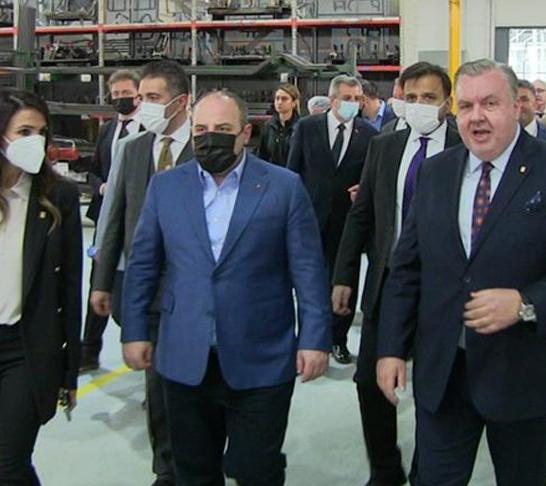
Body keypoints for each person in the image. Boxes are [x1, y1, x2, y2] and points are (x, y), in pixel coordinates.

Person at [376, 59, 546, 486]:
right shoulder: (435, 173)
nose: (476, 117)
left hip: (523, 375)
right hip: (444, 373)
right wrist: (391, 347)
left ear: (516, 107)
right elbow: (407, 268)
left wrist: (526, 303)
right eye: (466, 106)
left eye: (490, 103)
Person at [121, 89, 331, 485]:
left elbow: (308, 270)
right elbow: (143, 265)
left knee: (256, 468)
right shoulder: (166, 187)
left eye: (221, 128)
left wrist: (314, 338)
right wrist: (133, 330)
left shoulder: (284, 187)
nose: (209, 137)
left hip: (261, 355)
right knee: (193, 471)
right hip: (185, 355)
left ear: (245, 133)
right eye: (200, 129)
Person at [332, 61, 462, 486]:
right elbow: (362, 215)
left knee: (436, 385)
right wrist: (344, 275)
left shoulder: (464, 146)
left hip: (445, 289)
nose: (420, 104)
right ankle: (385, 469)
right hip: (389, 281)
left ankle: (428, 469)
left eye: (430, 97)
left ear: (447, 103)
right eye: (412, 97)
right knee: (370, 382)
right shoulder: (385, 147)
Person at [91, 59, 194, 486]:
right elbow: (115, 216)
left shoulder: (207, 148)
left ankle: (202, 458)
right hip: (147, 290)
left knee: (198, 386)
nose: (144, 105)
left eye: (154, 98)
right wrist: (102, 280)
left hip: (195, 293)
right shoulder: (133, 150)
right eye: (142, 97)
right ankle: (166, 469)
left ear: (181, 102)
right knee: (158, 388)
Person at [0, 88, 82, 483]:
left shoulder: (59, 196)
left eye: (41, 132)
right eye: (24, 132)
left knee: (8, 463)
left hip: (26, 348)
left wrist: (70, 370)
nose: (35, 141)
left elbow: (70, 286)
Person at [287, 74, 378, 364]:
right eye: (347, 98)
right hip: (310, 219)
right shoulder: (307, 127)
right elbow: (292, 173)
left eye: (357, 98)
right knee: (310, 282)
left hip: (347, 222)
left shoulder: (370, 135)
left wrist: (363, 189)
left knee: (344, 279)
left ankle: (338, 339)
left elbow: (372, 179)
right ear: (333, 100)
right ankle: (311, 338)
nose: (353, 103)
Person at [80, 69, 142, 372]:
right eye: (115, 94)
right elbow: (93, 170)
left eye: (125, 93)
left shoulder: (148, 131)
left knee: (134, 285)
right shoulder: (107, 130)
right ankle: (89, 351)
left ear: (138, 94)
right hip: (106, 218)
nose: (120, 99)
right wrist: (101, 187)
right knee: (99, 280)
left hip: (137, 221)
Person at [257, 84, 301, 166]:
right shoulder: (269, 126)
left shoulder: (301, 126)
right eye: (277, 98)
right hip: (272, 171)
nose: (279, 102)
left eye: (284, 99)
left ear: (294, 103)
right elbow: (262, 154)